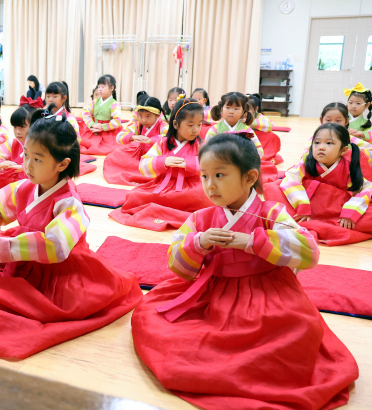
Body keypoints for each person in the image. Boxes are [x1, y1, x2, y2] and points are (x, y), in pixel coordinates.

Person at [131, 132, 358, 409]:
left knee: (300, 330)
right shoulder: (200, 218)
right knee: (171, 332)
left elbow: (309, 252)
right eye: (204, 176)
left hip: (269, 293)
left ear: (250, 177)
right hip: (214, 295)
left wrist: (252, 241)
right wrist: (198, 243)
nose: (210, 185)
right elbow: (177, 263)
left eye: (219, 175)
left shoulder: (272, 213)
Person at [0, 109, 143, 360]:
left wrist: (6, 248)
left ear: (62, 164)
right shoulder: (26, 187)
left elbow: (56, 246)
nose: (27, 165)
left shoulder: (70, 203)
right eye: (25, 154)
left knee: (13, 307)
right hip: (20, 254)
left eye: (37, 159)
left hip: (58, 269)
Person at [110, 98, 212, 232]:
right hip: (163, 185)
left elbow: (210, 166)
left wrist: (189, 163)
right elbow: (143, 165)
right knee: (134, 195)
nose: (196, 130)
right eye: (190, 125)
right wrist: (163, 161)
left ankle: (165, 208)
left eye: (199, 125)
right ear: (175, 124)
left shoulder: (200, 145)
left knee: (204, 197)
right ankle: (171, 209)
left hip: (191, 187)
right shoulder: (163, 142)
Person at [263, 123, 372, 245]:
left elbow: (365, 188)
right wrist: (302, 205)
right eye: (317, 143)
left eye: (329, 143)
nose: (321, 147)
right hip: (304, 204)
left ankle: (313, 223)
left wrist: (350, 212)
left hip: (334, 209)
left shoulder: (348, 167)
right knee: (272, 188)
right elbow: (290, 180)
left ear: (343, 150)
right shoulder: (306, 162)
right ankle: (310, 221)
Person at [0, 96, 44, 200]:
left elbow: (45, 166)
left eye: (22, 127)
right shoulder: (13, 143)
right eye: (15, 127)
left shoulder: (42, 144)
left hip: (35, 181)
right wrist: (0, 164)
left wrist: (23, 168)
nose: (17, 132)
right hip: (14, 181)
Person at [206, 92, 279, 183]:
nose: (231, 111)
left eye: (236, 109)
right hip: (219, 166)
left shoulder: (247, 130)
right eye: (228, 108)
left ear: (243, 112)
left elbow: (259, 151)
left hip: (241, 167)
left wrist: (246, 158)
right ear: (221, 109)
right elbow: (205, 151)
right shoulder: (214, 129)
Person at [103, 97, 168, 185]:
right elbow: (119, 136)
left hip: (156, 158)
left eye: (148, 116)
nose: (143, 120)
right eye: (140, 116)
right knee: (113, 156)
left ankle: (141, 174)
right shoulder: (138, 125)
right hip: (140, 156)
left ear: (158, 115)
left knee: (157, 167)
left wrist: (151, 140)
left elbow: (168, 137)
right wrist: (132, 137)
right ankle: (140, 173)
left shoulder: (162, 125)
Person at [79, 75, 122, 155]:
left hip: (109, 132)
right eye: (99, 87)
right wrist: (92, 124)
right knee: (83, 143)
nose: (100, 89)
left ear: (111, 88)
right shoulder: (94, 102)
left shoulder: (114, 104)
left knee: (110, 147)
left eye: (103, 87)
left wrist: (102, 127)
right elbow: (84, 112)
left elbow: (117, 122)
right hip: (94, 130)